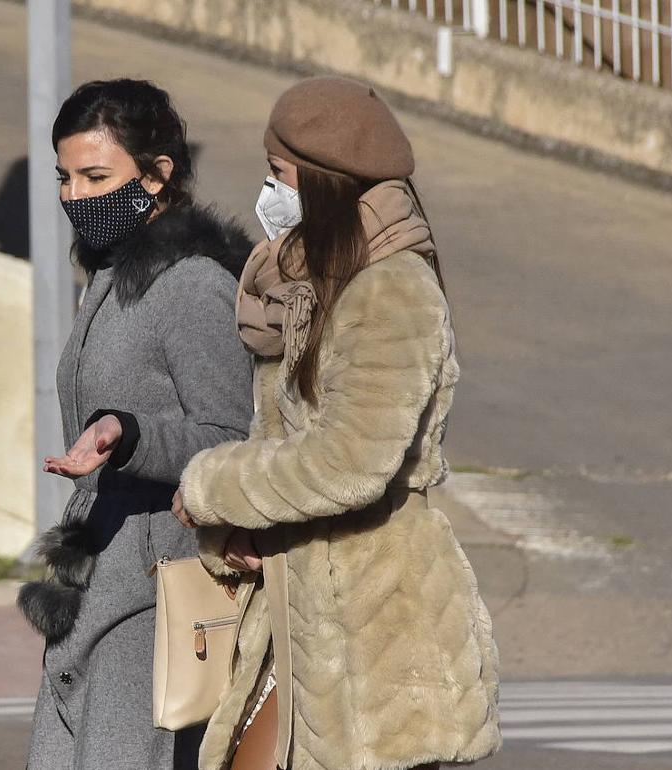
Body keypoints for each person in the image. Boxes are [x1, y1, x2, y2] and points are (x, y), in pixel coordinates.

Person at [172, 77, 501, 770]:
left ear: (325, 183)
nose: (267, 191)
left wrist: (212, 487)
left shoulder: (391, 288)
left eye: (280, 174)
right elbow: (282, 444)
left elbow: (351, 459)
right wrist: (236, 531)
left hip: (378, 624)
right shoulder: (306, 287)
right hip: (295, 610)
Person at [19, 79, 254, 770]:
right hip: (91, 585)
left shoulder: (190, 286)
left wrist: (132, 433)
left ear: (157, 175)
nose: (75, 195)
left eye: (97, 176)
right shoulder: (111, 278)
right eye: (65, 177)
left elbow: (234, 440)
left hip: (156, 593)